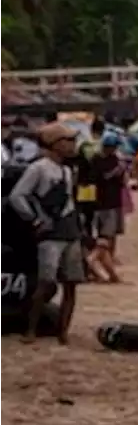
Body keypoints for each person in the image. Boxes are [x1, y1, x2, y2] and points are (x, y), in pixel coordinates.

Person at [7, 123, 85, 344]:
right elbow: (18, 196)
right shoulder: (39, 168)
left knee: (71, 283)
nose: (72, 145)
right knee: (47, 282)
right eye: (68, 141)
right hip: (51, 233)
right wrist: (34, 219)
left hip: (68, 230)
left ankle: (63, 331)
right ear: (55, 144)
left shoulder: (67, 171)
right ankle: (31, 329)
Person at [90, 134, 127, 260]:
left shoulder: (115, 159)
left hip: (115, 199)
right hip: (102, 200)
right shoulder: (97, 160)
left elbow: (121, 181)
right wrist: (115, 172)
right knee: (105, 232)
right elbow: (100, 178)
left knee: (114, 232)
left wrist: (121, 173)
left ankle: (111, 255)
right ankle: (103, 257)